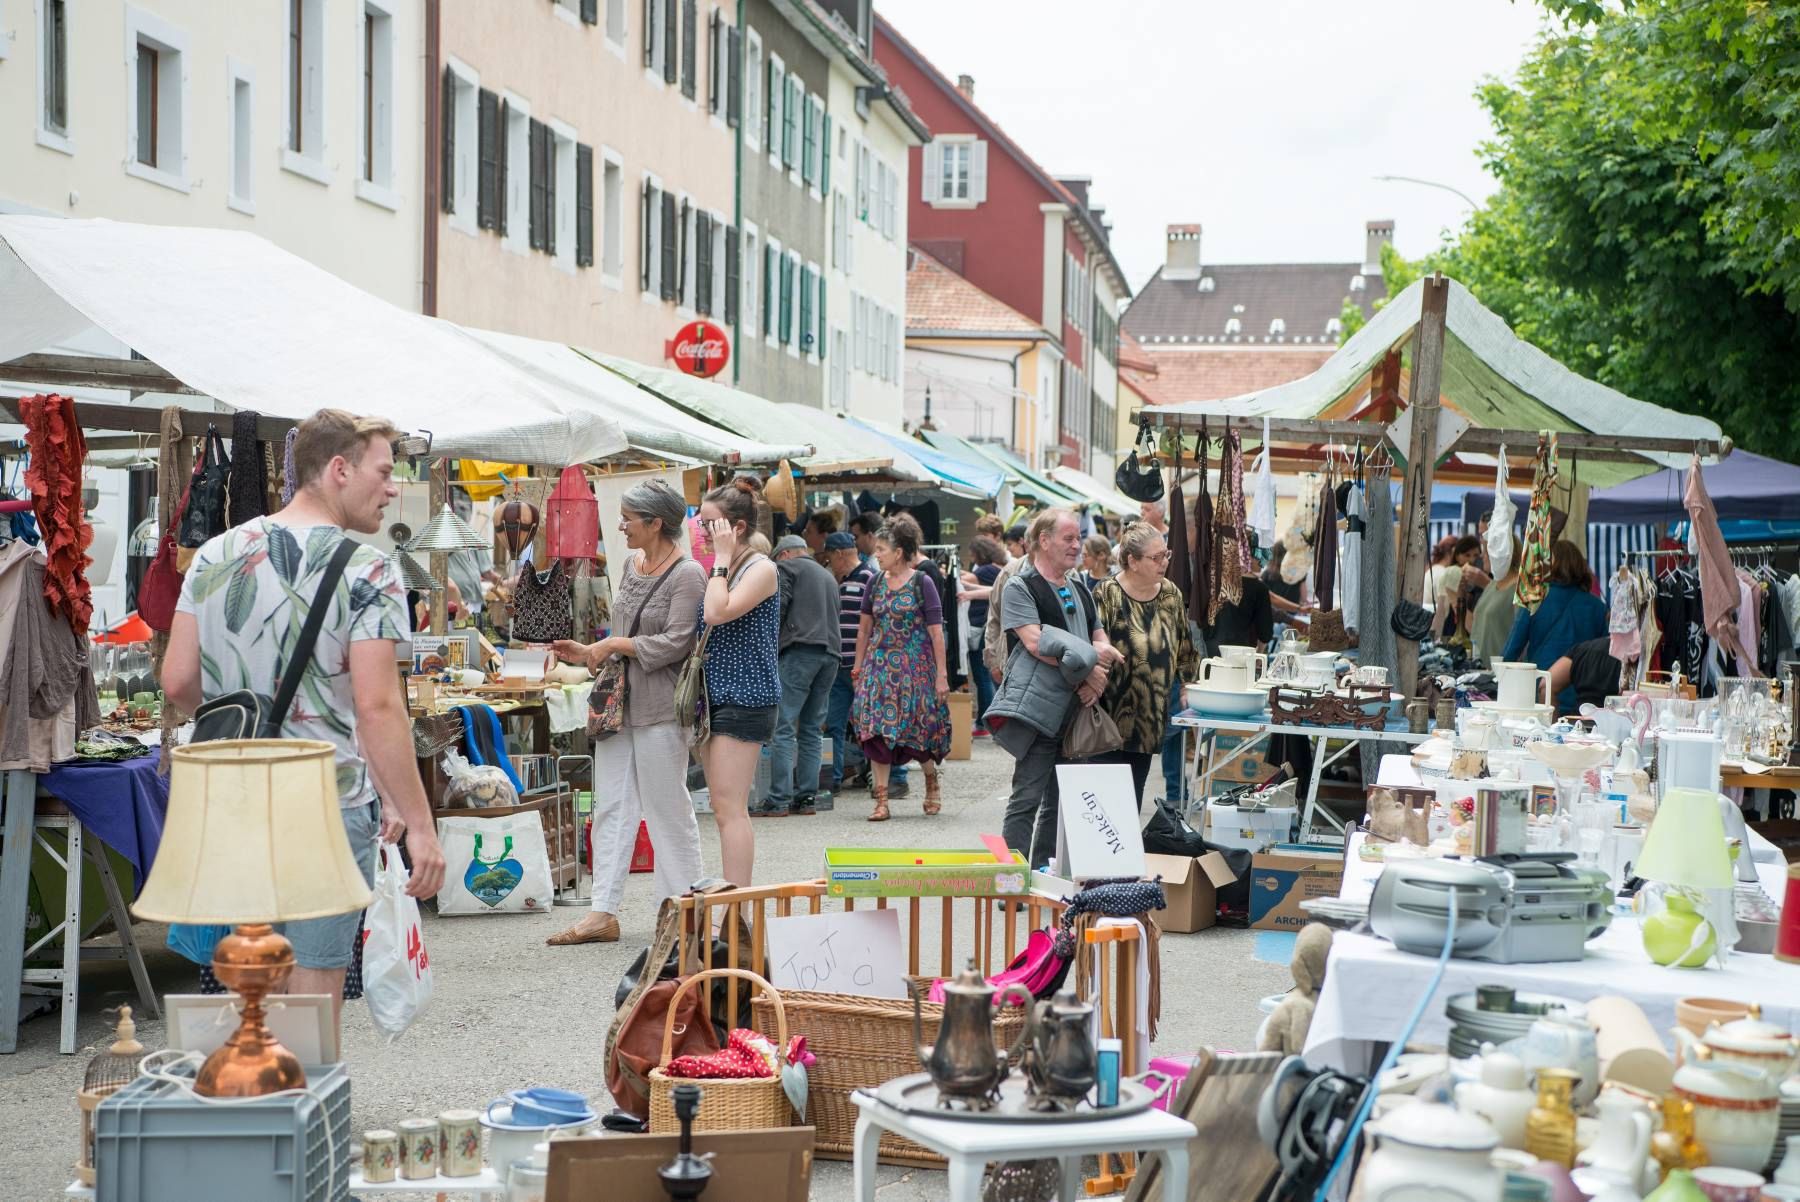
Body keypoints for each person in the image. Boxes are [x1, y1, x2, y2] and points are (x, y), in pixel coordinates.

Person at [163, 409, 445, 1027]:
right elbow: (376, 706)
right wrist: (420, 824)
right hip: (327, 796)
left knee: (250, 970)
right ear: (339, 470)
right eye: (383, 470)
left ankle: (250, 1103)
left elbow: (178, 680)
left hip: (234, 793)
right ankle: (302, 1113)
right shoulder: (367, 567)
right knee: (313, 983)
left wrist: (246, 723)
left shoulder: (214, 555)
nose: (393, 487)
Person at [546, 480, 705, 945]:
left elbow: (678, 641)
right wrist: (589, 650)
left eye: (629, 518)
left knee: (666, 808)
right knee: (612, 805)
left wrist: (613, 644)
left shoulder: (688, 574)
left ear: (656, 523)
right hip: (619, 704)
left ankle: (680, 908)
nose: (621, 526)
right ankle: (603, 911)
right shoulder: (632, 565)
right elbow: (622, 630)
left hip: (659, 706)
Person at [985, 508, 1122, 868]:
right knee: (1026, 798)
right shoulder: (1021, 587)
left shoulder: (1079, 587)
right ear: (1044, 541)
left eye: (1078, 538)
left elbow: (1099, 636)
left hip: (1074, 712)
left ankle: (1041, 877)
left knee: (1060, 801)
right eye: (1069, 538)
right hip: (1039, 711)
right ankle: (1010, 881)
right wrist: (1090, 672)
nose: (1077, 545)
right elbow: (1036, 644)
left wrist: (1098, 671)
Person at [695, 478, 781, 887]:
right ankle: (733, 900)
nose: (700, 528)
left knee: (731, 808)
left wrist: (722, 561)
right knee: (722, 805)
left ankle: (738, 906)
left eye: (709, 522)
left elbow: (717, 612)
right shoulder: (726, 567)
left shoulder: (761, 569)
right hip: (715, 695)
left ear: (736, 527)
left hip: (745, 697)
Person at [851, 515, 952, 821]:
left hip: (915, 671)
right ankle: (881, 801)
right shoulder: (874, 582)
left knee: (919, 731)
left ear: (899, 551)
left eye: (881, 548)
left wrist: (942, 676)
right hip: (879, 670)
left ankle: (931, 781)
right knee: (875, 734)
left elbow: (936, 632)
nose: (876, 554)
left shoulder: (923, 582)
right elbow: (864, 630)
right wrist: (858, 669)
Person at [1092, 525, 1198, 807]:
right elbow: (1091, 645)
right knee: (1103, 798)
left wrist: (1188, 685)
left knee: (1132, 797)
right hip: (1109, 713)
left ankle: (1125, 850)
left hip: (1150, 715)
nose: (1165, 562)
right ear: (1132, 561)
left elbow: (1184, 645)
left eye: (1166, 554)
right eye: (1156, 557)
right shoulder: (1106, 593)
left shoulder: (1170, 594)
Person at [758, 534, 842, 817]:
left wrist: (768, 647)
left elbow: (778, 610)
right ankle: (807, 797)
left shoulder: (787, 569)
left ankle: (779, 799)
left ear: (783, 555)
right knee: (811, 730)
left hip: (800, 651)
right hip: (831, 655)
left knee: (782, 726)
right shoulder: (828, 576)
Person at [1502, 539, 1607, 713]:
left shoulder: (1534, 601)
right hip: (1584, 700)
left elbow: (1512, 650)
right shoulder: (1597, 607)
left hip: (1540, 695)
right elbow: (1604, 655)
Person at [824, 532, 872, 797]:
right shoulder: (836, 580)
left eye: (831, 557)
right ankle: (834, 777)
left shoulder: (869, 578)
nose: (830, 563)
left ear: (840, 554)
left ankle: (877, 775)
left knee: (868, 722)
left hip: (860, 665)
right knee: (835, 723)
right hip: (838, 663)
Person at [961, 534, 1008, 726]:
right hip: (991, 625)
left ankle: (985, 721)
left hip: (981, 627)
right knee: (990, 674)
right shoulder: (999, 569)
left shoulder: (982, 570)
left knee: (982, 676)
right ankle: (992, 719)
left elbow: (967, 580)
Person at [1471, 542, 1521, 668]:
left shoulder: (1518, 589)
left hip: (1504, 670)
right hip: (1480, 667)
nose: (1482, 556)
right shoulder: (1492, 585)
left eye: (1486, 551)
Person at [1206, 563, 1275, 651]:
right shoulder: (1259, 589)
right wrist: (1259, 654)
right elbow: (1265, 633)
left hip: (1208, 649)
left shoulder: (1212, 578)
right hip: (1240, 651)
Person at [1551, 637, 1625, 714]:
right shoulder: (1632, 657)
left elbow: (1545, 685)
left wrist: (1552, 723)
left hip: (1578, 720)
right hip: (1614, 721)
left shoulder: (1582, 650)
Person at [1262, 543, 1309, 627]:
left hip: (1273, 619)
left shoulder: (1266, 574)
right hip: (1292, 619)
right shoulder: (1299, 572)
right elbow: (1304, 597)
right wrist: (1301, 607)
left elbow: (1267, 599)